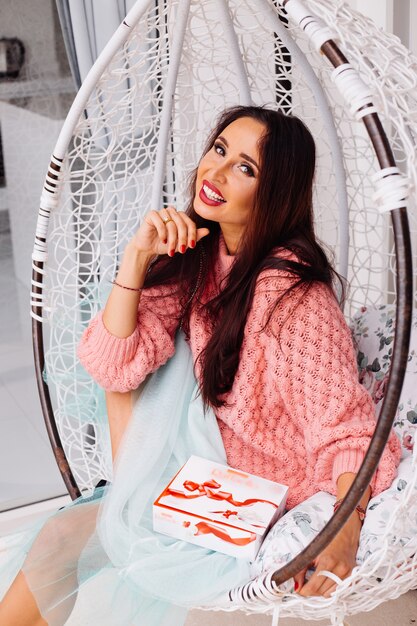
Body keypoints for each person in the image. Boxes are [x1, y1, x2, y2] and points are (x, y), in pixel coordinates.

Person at [0, 105, 401, 625]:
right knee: (135, 336)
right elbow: (112, 368)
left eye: (245, 168)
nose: (216, 172)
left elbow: (349, 434)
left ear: (273, 192)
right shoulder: (204, 256)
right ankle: (128, 498)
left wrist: (344, 532)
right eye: (219, 150)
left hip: (255, 494)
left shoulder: (295, 298)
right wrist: (135, 258)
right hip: (204, 471)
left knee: (62, 540)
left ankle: (128, 506)